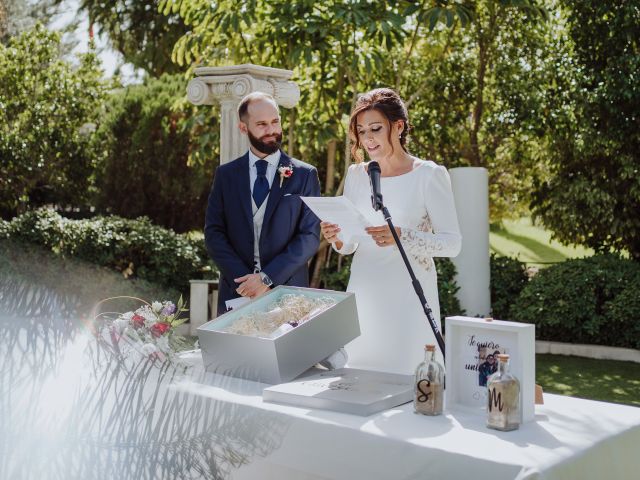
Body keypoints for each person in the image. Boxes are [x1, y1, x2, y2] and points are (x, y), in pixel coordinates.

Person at [320, 88, 461, 374]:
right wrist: (336, 237)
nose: (367, 138)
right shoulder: (356, 175)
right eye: (361, 130)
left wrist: (402, 236)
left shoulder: (429, 174)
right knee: (358, 382)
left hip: (408, 295)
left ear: (398, 127)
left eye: (375, 128)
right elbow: (350, 244)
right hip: (364, 290)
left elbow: (452, 244)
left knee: (410, 378)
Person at [205, 92, 321, 315]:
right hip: (237, 293)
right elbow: (214, 233)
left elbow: (309, 237)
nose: (271, 130)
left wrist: (267, 278)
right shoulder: (225, 176)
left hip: (288, 295)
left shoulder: (305, 175)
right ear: (243, 128)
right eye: (261, 124)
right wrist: (246, 283)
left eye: (275, 121)